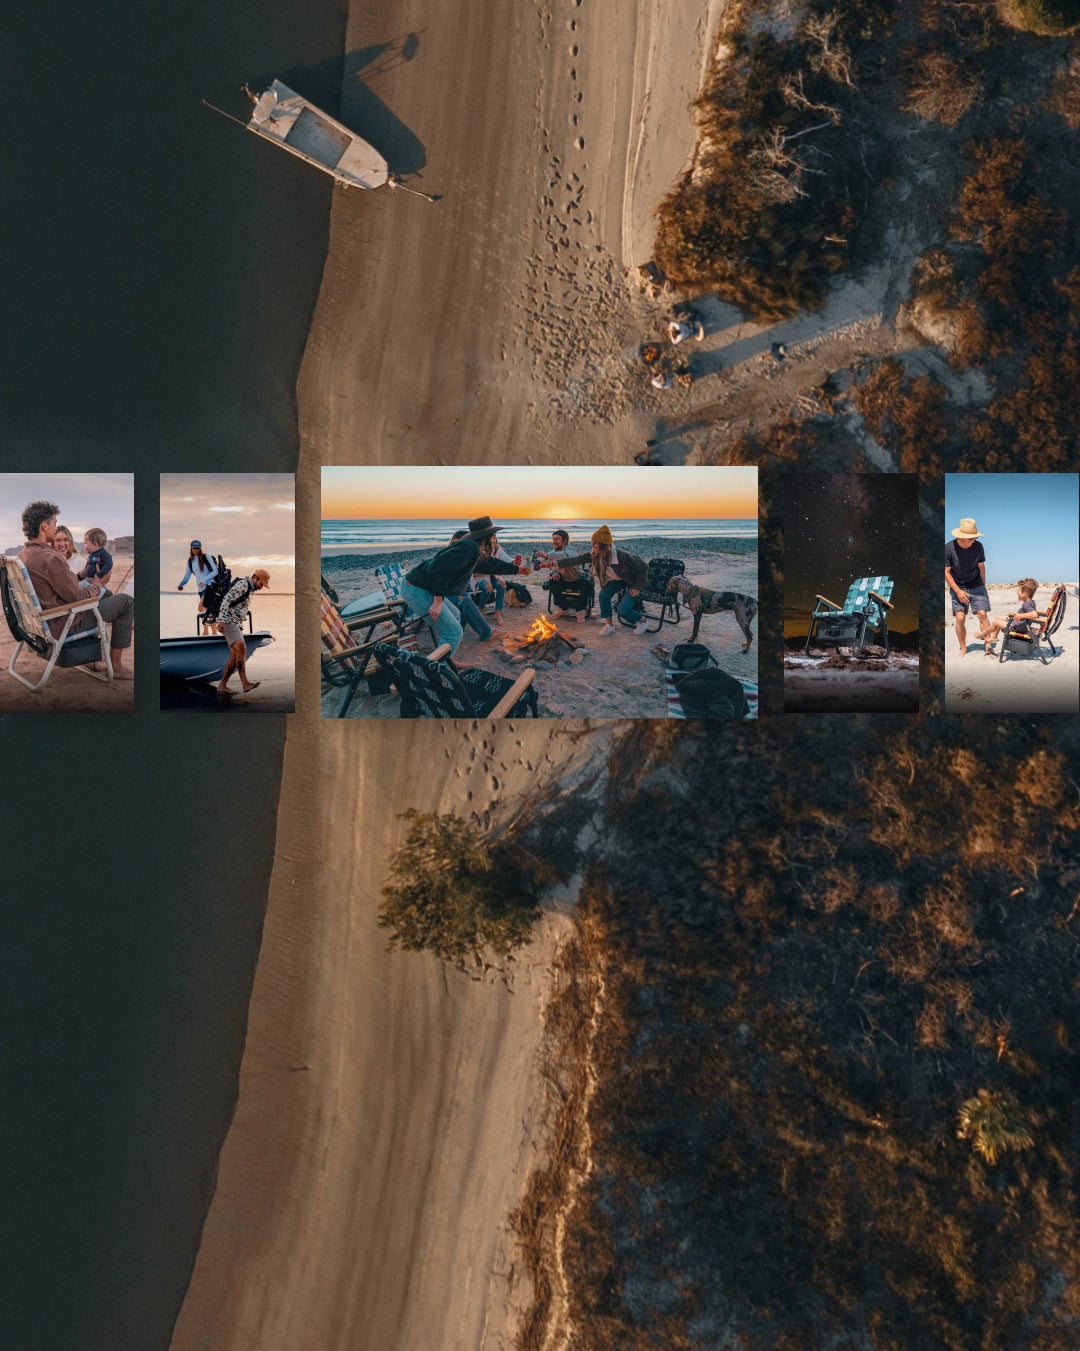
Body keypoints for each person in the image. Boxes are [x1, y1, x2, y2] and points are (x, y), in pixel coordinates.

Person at [18, 500, 135, 680]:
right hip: (63, 625)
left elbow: (56, 584)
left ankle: (93, 654)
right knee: (126, 602)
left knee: (110, 597)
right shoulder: (51, 558)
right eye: (54, 524)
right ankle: (117, 666)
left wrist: (80, 576)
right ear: (44, 525)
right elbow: (78, 597)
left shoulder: (24, 555)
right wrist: (99, 584)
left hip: (40, 625)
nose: (55, 528)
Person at [401, 516, 529, 659]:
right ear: (487, 536)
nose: (494, 538)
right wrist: (437, 601)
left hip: (422, 587)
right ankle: (436, 669)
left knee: (456, 615)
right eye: (493, 535)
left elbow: (490, 563)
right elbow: (436, 569)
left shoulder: (472, 549)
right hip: (416, 588)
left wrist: (516, 569)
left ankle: (448, 659)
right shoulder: (468, 548)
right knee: (453, 633)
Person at [558, 525, 650, 636]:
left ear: (603, 545)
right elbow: (575, 560)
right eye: (592, 542)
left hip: (633, 581)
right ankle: (610, 625)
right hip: (617, 580)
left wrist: (637, 587)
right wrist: (553, 564)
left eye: (595, 543)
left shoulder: (622, 556)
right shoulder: (594, 555)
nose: (592, 545)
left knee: (623, 610)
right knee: (603, 594)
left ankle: (643, 621)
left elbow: (643, 567)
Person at [215, 568, 270, 696]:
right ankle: (245, 683)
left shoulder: (250, 590)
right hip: (228, 621)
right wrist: (221, 620)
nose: (261, 587)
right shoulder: (243, 585)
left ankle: (222, 686)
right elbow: (226, 600)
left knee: (235, 657)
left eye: (263, 585)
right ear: (255, 578)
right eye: (260, 583)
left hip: (236, 623)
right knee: (242, 646)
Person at [945, 517, 991, 658]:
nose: (973, 541)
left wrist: (983, 586)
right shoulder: (948, 549)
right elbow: (946, 573)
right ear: (961, 537)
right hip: (958, 585)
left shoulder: (978, 546)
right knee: (960, 618)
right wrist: (958, 591)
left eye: (974, 538)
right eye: (970, 539)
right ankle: (963, 648)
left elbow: (981, 566)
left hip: (976, 584)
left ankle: (988, 647)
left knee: (982, 614)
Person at [446, 529, 496, 642]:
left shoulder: (461, 556)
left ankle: (460, 632)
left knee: (464, 601)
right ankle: (487, 633)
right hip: (438, 595)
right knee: (464, 601)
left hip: (451, 593)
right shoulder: (450, 557)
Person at [536, 529, 586, 622]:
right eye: (553, 539)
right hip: (564, 579)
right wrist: (555, 573)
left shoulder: (571, 550)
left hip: (577, 578)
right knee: (552, 581)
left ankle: (579, 611)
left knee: (587, 584)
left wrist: (546, 555)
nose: (554, 542)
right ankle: (563, 609)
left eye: (557, 539)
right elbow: (552, 565)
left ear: (565, 541)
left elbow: (564, 557)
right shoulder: (553, 552)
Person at [985, 579, 1042, 654]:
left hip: (1018, 627)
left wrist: (1020, 615)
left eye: (1018, 590)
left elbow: (1034, 614)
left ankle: (993, 636)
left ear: (1025, 593)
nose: (1017, 592)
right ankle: (994, 637)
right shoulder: (1031, 602)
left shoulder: (1026, 604)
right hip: (1021, 624)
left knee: (996, 622)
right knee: (998, 617)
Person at [177, 540, 218, 635]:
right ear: (191, 548)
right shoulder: (190, 561)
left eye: (198, 548)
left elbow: (215, 571)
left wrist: (204, 580)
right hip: (200, 590)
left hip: (210, 587)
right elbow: (187, 576)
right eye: (194, 548)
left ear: (200, 548)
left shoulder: (206, 557)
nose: (196, 550)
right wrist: (181, 584)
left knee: (200, 608)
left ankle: (205, 631)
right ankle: (214, 633)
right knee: (209, 611)